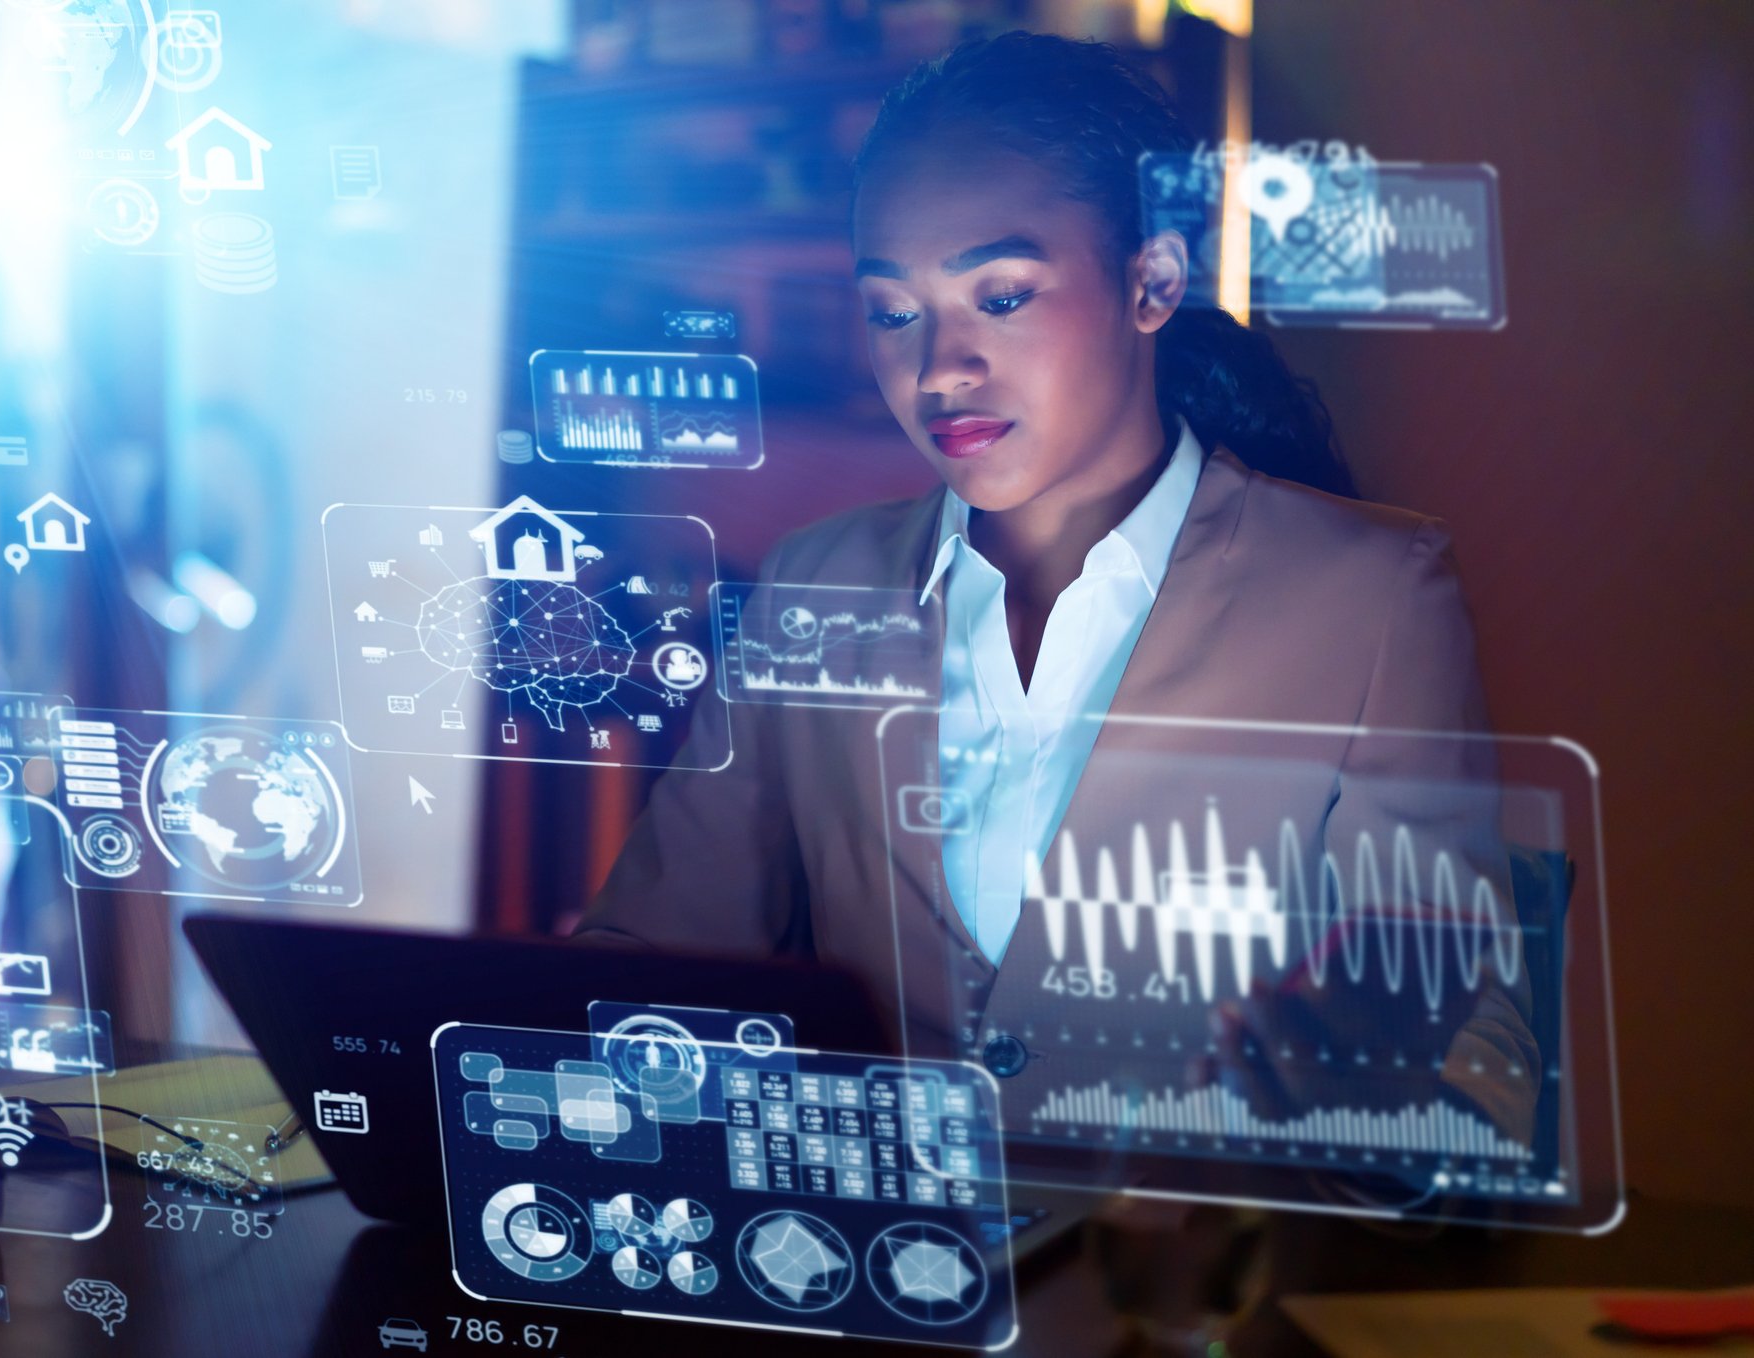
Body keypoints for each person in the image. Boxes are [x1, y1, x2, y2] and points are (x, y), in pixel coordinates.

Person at [574, 31, 1537, 1173]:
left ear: (1154, 281)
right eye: (892, 311)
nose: (938, 367)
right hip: (869, 1289)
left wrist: (1382, 1092)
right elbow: (653, 966)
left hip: (1185, 1293)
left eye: (1002, 294)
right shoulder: (810, 588)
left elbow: (1483, 1058)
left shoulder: (1369, 596)